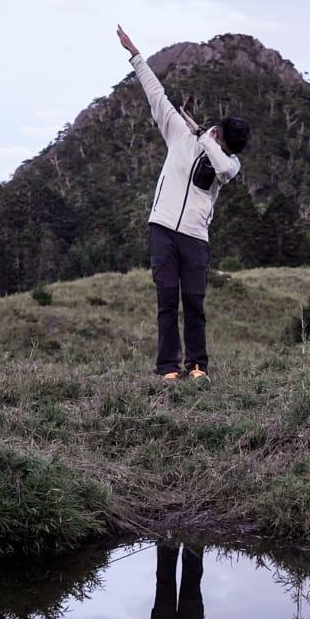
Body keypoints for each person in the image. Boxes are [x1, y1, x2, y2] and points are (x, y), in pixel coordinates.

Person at [116, 25, 252, 382]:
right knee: (166, 302)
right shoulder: (179, 134)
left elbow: (223, 164)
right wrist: (135, 56)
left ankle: (197, 366)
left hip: (194, 237)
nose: (225, 151)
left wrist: (205, 139)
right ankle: (168, 368)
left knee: (194, 303)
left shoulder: (229, 162)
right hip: (162, 228)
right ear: (218, 133)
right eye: (223, 142)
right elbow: (156, 95)